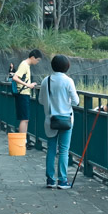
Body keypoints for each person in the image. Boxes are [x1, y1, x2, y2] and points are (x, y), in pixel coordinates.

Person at [38, 54, 79, 189]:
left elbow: (40, 100)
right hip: (66, 120)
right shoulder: (68, 81)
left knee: (51, 149)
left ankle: (50, 180)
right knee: (63, 150)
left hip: (50, 120)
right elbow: (76, 101)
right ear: (67, 67)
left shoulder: (46, 81)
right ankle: (62, 181)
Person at [12, 49, 42, 134]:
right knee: (24, 119)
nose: (37, 62)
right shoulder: (24, 65)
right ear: (32, 57)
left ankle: (23, 140)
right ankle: (22, 141)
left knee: (25, 119)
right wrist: (28, 85)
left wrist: (30, 84)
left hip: (24, 94)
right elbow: (15, 77)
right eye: (37, 60)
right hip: (22, 94)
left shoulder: (26, 65)